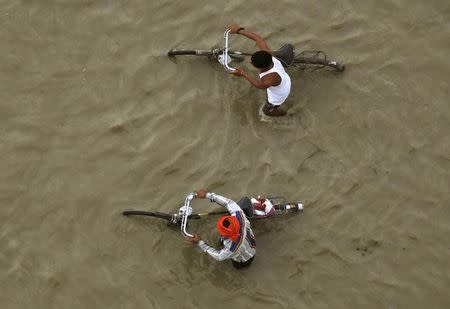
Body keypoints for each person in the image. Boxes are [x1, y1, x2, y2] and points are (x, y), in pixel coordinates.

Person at [228, 23, 292, 117]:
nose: (250, 63)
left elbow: (259, 85)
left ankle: (285, 114)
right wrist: (238, 31)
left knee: (266, 111)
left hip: (280, 94)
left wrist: (242, 73)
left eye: (252, 64)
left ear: (261, 68)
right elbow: (258, 39)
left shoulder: (268, 79)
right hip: (284, 79)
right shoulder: (269, 55)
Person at [188, 189, 256, 269]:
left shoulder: (232, 247)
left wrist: (200, 242)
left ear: (226, 234)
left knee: (239, 266)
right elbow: (228, 203)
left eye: (221, 231)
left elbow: (219, 256)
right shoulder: (240, 217)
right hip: (250, 243)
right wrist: (208, 195)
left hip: (245, 258)